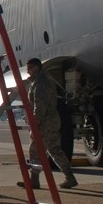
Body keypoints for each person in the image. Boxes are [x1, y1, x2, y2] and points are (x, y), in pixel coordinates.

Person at [18, 58, 78, 189]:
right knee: (54, 150)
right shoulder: (41, 80)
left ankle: (34, 180)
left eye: (29, 69)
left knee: (35, 150)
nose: (28, 72)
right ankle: (69, 177)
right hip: (50, 120)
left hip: (44, 122)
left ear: (36, 67)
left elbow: (40, 106)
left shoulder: (41, 82)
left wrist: (34, 122)